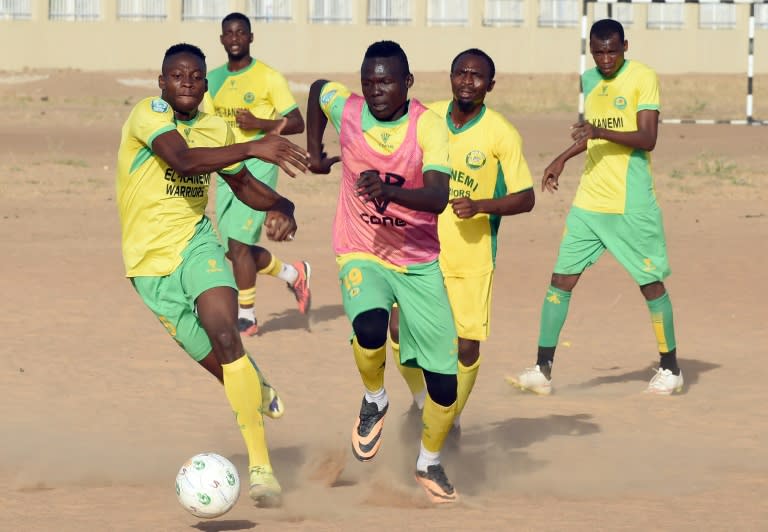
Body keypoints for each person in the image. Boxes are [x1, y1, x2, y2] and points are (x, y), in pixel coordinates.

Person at [116, 43, 308, 507]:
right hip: (148, 267)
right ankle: (255, 383)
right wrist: (253, 144)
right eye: (176, 75)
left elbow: (241, 183)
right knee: (225, 368)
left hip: (196, 245)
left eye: (196, 76)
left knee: (227, 337)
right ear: (161, 82)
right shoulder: (149, 114)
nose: (186, 82)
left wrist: (283, 204)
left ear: (206, 84)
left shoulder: (215, 125)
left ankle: (261, 469)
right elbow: (182, 160)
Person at [306, 41, 460, 504]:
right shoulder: (348, 110)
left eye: (386, 81)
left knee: (444, 386)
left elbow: (437, 199)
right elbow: (316, 91)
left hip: (416, 261)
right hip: (360, 250)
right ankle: (374, 398)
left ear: (407, 82)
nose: (375, 90)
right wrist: (314, 151)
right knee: (370, 328)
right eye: (369, 81)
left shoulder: (429, 127)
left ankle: (429, 461)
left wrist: (389, 195)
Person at [506, 19, 683, 396]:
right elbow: (592, 134)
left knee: (650, 284)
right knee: (561, 280)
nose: (605, 59)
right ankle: (542, 369)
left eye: (612, 51)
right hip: (590, 201)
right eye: (598, 51)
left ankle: (671, 368)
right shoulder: (588, 80)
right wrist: (562, 158)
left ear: (625, 47)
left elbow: (647, 138)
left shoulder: (643, 77)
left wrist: (598, 132)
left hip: (630, 203)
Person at [389, 48, 535, 434]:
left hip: (472, 255)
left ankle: (449, 419)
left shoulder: (501, 133)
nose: (467, 81)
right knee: (397, 328)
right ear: (450, 76)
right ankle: (424, 401)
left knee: (466, 346)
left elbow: (526, 198)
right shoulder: (426, 116)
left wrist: (482, 205)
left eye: (477, 76)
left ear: (490, 84)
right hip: (419, 246)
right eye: (461, 73)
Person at [202, 12, 310, 337]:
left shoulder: (268, 77)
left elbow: (296, 122)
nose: (234, 38)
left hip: (260, 163)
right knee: (234, 250)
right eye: (228, 33)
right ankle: (294, 274)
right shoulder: (213, 80)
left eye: (241, 33)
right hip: (228, 166)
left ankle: (246, 317)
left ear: (250, 37)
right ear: (222, 39)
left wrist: (260, 124)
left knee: (237, 246)